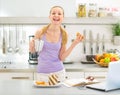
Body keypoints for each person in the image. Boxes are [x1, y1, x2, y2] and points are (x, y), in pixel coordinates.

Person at [29, 6, 84, 82]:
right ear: (49, 16)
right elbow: (33, 51)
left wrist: (74, 43)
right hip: (42, 73)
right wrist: (31, 45)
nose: (56, 15)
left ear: (63, 17)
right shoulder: (40, 32)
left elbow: (61, 57)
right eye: (53, 13)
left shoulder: (64, 34)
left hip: (58, 73)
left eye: (59, 13)